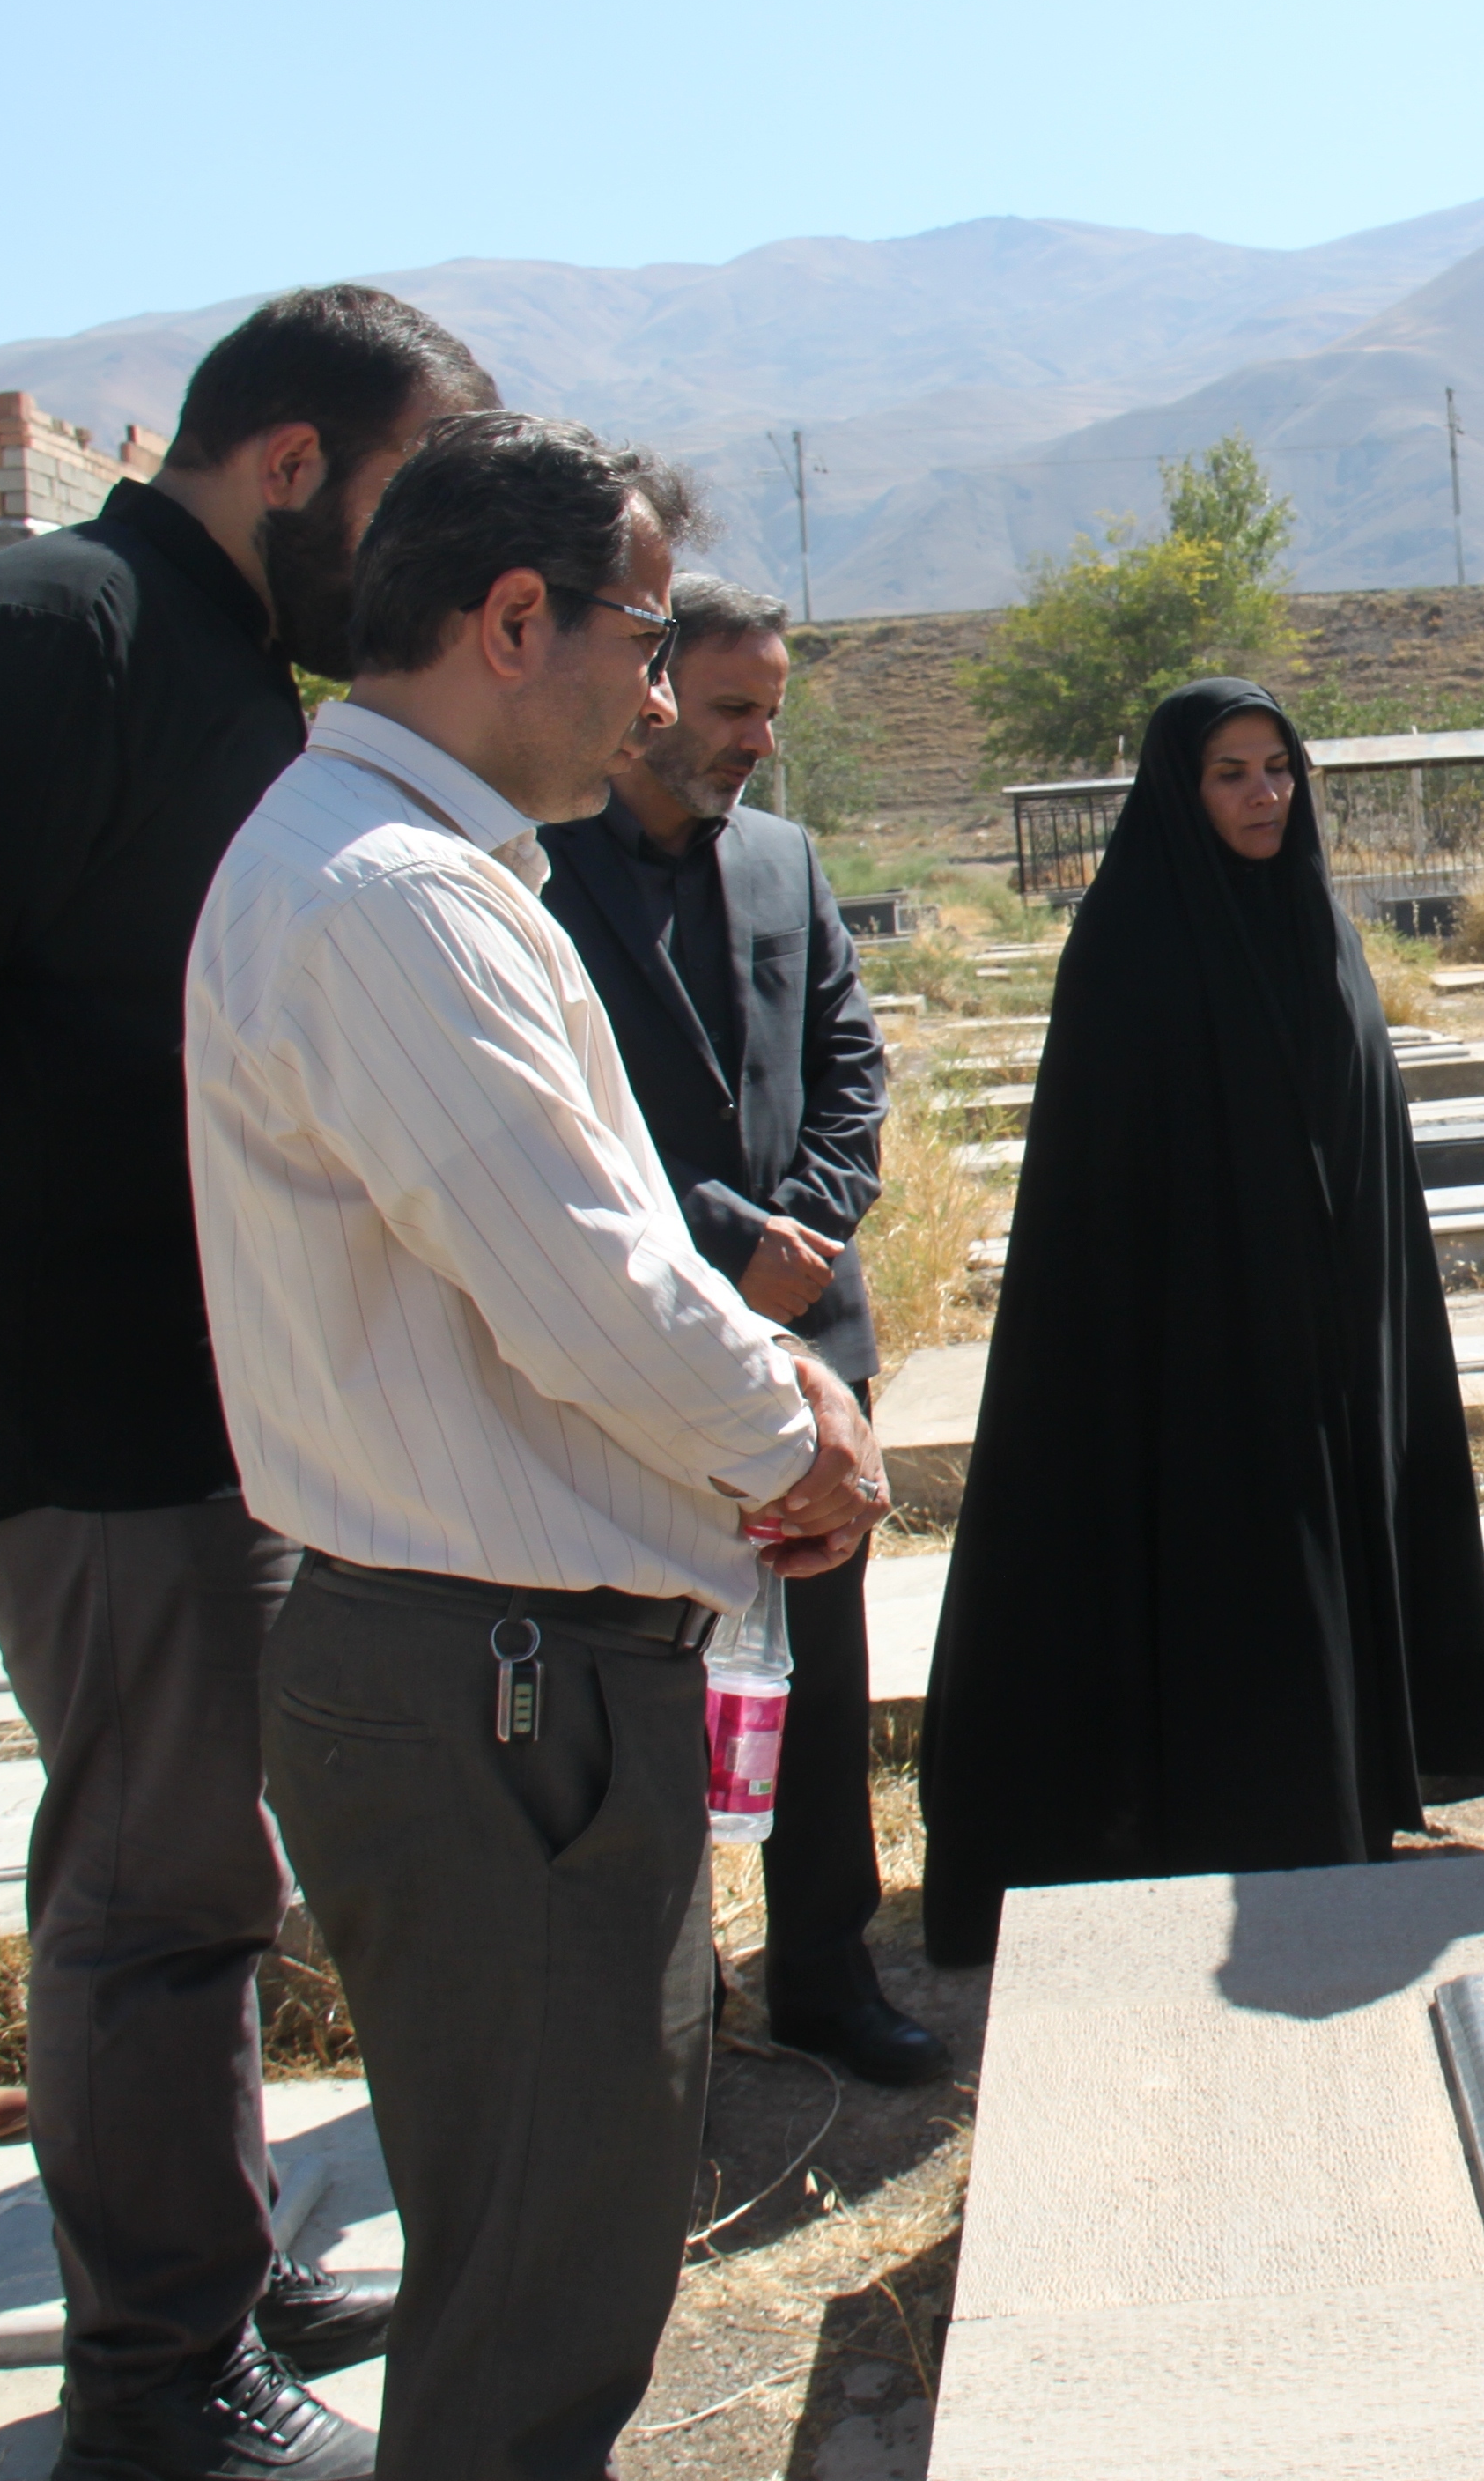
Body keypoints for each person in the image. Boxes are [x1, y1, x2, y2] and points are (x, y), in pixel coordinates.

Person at [0, 286, 494, 2481]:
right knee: (152, 1890)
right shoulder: (50, 629)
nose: (398, 563)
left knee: (210, 1870)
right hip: (76, 1379)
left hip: (205, 1373)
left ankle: (226, 2260)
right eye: (389, 504)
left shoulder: (219, 670)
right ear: (288, 464)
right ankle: (157, 2387)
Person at [188, 411, 884, 2481]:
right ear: (515, 620)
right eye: (648, 645)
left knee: (550, 2235)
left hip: (497, 1666)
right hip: (496, 1683)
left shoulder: (400, 868)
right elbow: (583, 1281)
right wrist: (799, 1440)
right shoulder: (391, 899)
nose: (663, 701)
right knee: (538, 2273)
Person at [919, 678, 1484, 1965]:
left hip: (1328, 1329)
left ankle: (1344, 1791)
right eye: (1231, 774)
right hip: (1188, 1338)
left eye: (1279, 770)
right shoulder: (1134, 938)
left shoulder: (1318, 922)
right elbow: (1103, 1177)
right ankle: (1229, 1809)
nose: (1262, 796)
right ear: (1179, 793)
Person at [535, 576, 933, 2087]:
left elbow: (850, 1065)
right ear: (649, 703)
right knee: (649, 1682)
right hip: (639, 1337)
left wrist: (807, 1233)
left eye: (771, 708)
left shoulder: (783, 858)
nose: (757, 738)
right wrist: (721, 1245)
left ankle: (825, 1970)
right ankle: (668, 2013)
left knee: (820, 1680)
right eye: (729, 709)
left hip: (809, 1339)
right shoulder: (535, 877)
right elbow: (568, 1121)